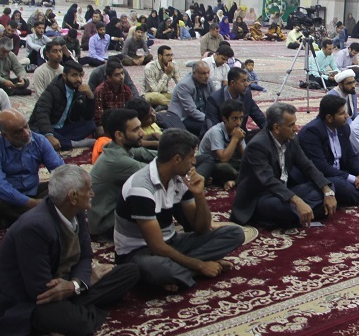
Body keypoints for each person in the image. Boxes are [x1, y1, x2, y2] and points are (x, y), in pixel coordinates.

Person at [0, 165, 140, 336]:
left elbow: (85, 256)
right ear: (73, 197)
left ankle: (73, 309)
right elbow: (41, 290)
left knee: (130, 272)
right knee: (79, 323)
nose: (92, 194)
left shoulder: (76, 212)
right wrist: (80, 285)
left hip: (66, 283)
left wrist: (77, 284)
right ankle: (71, 313)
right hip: (31, 300)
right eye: (88, 189)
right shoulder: (34, 228)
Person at [115, 128, 245, 291]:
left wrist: (199, 195)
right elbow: (157, 247)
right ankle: (184, 271)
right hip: (138, 252)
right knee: (160, 269)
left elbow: (201, 228)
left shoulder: (180, 178)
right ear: (177, 159)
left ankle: (179, 273)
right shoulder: (141, 188)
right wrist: (200, 265)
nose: (194, 162)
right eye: (191, 156)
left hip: (172, 242)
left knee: (235, 234)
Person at [231, 102, 338, 228]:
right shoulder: (257, 146)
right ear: (276, 128)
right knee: (281, 207)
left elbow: (307, 166)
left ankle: (298, 215)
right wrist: (298, 201)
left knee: (329, 187)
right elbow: (269, 181)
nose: (296, 128)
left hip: (285, 191)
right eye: (291, 125)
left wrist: (327, 192)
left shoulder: (291, 139)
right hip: (261, 196)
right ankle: (303, 213)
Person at [298, 94, 359, 207]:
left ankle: (355, 193)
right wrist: (352, 179)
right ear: (329, 118)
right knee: (344, 187)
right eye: (342, 113)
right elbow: (321, 167)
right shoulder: (312, 132)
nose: (347, 116)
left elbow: (350, 156)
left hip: (341, 172)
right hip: (324, 177)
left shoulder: (343, 128)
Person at [0, 108, 65, 222]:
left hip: (32, 191)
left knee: (64, 188)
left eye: (26, 126)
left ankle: (33, 215)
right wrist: (31, 203)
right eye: (18, 132)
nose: (26, 133)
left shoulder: (39, 141)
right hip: (2, 197)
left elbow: (60, 170)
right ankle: (45, 213)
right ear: (5, 135)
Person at [89, 109, 155, 237]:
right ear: (119, 135)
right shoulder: (116, 160)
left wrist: (172, 152)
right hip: (105, 223)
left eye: (140, 127)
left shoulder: (119, 146)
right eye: (135, 130)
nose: (142, 133)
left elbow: (146, 153)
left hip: (111, 212)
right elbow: (158, 172)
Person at [29, 61, 98, 151]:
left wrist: (90, 97)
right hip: (46, 127)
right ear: (64, 76)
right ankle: (72, 143)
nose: (79, 79)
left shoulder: (79, 90)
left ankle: (61, 141)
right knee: (38, 134)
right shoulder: (53, 89)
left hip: (62, 128)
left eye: (80, 75)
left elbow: (87, 116)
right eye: (74, 75)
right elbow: (42, 113)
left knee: (91, 125)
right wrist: (49, 135)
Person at [196, 100, 246, 190]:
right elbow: (223, 159)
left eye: (241, 118)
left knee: (250, 164)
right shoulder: (216, 131)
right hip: (211, 164)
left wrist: (239, 143)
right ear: (225, 119)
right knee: (225, 168)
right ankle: (241, 179)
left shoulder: (237, 130)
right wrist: (235, 139)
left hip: (231, 161)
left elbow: (247, 157)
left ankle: (234, 181)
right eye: (234, 119)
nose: (238, 122)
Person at [203, 66, 266, 137]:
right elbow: (213, 129)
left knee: (263, 136)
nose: (246, 84)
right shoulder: (214, 99)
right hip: (220, 137)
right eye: (243, 81)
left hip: (240, 135)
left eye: (247, 81)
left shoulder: (246, 94)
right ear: (232, 83)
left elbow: (259, 117)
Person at [167, 61, 212, 136]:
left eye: (208, 72)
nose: (207, 76)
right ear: (194, 73)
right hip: (184, 117)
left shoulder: (207, 81)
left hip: (201, 114)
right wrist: (209, 119)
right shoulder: (184, 85)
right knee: (208, 127)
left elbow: (214, 99)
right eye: (203, 73)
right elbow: (191, 111)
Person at [94, 60, 133, 129]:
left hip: (122, 122)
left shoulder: (125, 89)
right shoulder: (100, 91)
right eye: (117, 75)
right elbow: (99, 116)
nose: (121, 77)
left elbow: (131, 109)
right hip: (107, 124)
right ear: (108, 77)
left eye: (122, 73)